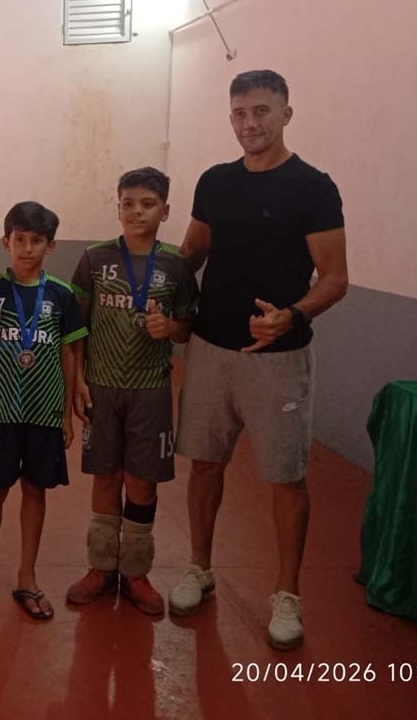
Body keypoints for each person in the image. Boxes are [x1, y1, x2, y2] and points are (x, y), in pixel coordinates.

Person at [172, 70, 348, 650]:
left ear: (286, 114)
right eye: (240, 114)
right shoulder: (215, 182)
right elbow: (190, 254)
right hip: (209, 349)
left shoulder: (313, 188)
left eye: (261, 112)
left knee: (286, 478)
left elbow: (335, 278)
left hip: (279, 359)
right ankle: (199, 568)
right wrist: (149, 286)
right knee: (204, 465)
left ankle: (287, 595)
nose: (249, 124)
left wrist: (291, 316)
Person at [65, 167, 198, 615]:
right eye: (128, 203)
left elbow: (187, 327)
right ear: (118, 206)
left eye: (147, 204)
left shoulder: (177, 264)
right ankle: (101, 567)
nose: (136, 212)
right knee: (105, 476)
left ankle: (136, 571)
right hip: (101, 387)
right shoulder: (94, 259)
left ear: (165, 210)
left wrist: (171, 328)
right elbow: (75, 328)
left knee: (142, 481)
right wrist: (77, 381)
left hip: (150, 389)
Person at [0, 202, 84, 620]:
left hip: (44, 413)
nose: (27, 248)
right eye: (20, 240)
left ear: (51, 246)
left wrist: (65, 414)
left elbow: (68, 355)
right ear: (6, 242)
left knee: (35, 491)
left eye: (37, 241)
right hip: (0, 412)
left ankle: (27, 576)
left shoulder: (61, 295)